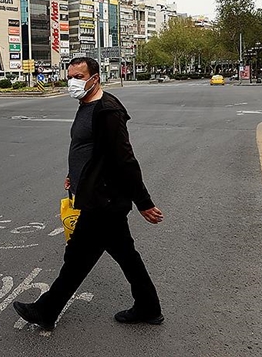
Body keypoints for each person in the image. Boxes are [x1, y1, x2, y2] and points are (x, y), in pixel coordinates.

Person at [13, 56, 164, 330]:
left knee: (77, 258)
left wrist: (143, 202)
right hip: (98, 195)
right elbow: (88, 150)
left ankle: (47, 310)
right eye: (70, 76)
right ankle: (148, 306)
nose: (73, 82)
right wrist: (75, 176)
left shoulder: (108, 111)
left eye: (79, 77)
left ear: (95, 78)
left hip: (104, 200)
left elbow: (124, 160)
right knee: (122, 255)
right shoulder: (86, 104)